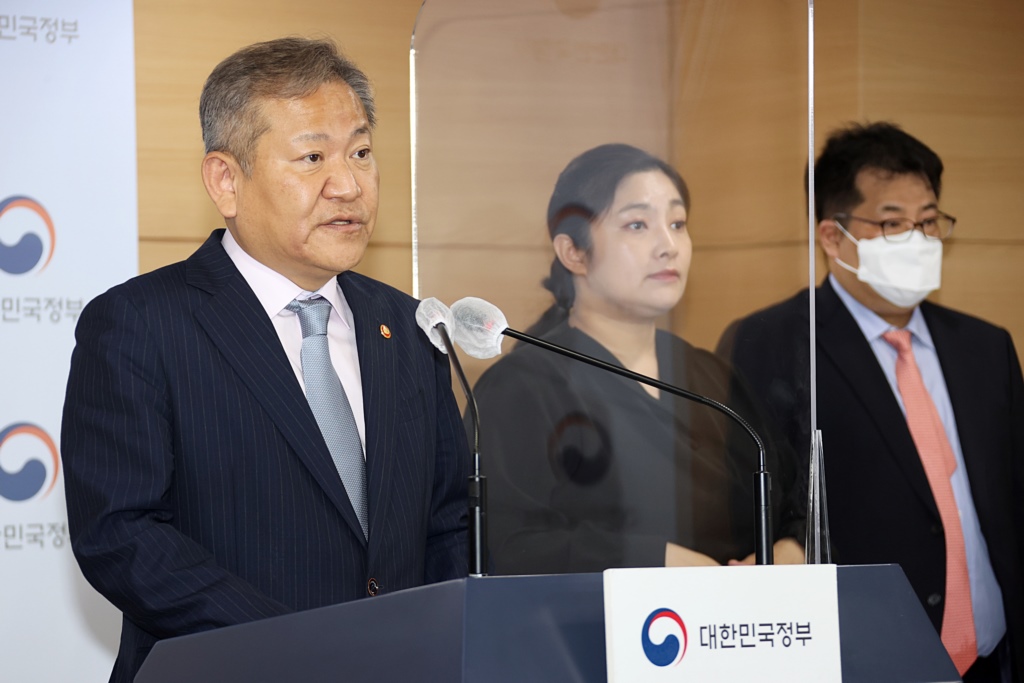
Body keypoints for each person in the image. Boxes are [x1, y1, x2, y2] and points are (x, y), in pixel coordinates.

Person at [61, 37, 469, 682]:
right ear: (226, 179)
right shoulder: (141, 323)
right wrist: (300, 648)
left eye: (361, 152)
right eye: (312, 157)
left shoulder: (408, 326)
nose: (348, 184)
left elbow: (448, 522)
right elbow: (121, 534)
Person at [718, 122, 1023, 682]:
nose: (918, 238)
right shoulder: (775, 341)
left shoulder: (986, 348)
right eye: (891, 223)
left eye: (928, 221)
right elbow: (754, 504)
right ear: (832, 237)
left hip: (993, 658)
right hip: (863, 657)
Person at [469, 143, 805, 575]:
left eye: (678, 223)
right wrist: (655, 562)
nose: (668, 246)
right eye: (637, 224)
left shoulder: (710, 374)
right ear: (574, 251)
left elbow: (797, 499)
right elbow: (509, 544)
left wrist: (789, 551)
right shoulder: (522, 386)